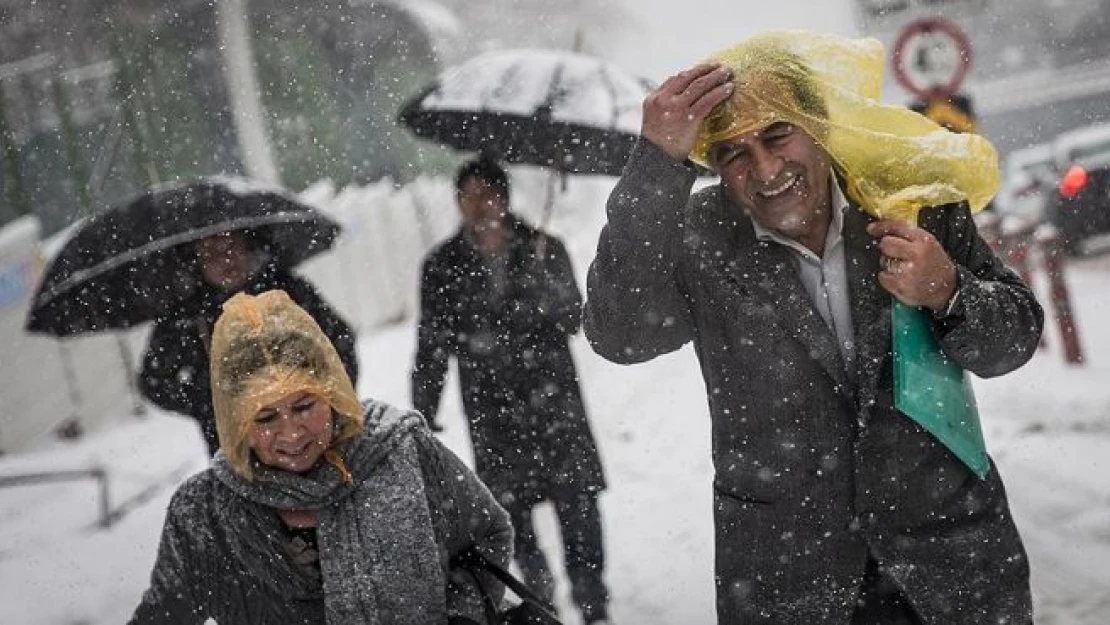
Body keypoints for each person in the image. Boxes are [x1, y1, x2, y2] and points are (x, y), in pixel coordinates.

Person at [583, 31, 1043, 625]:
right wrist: (655, 164)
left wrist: (947, 289)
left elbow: (1015, 340)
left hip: (951, 568)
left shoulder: (908, 199)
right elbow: (618, 334)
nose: (767, 168)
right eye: (735, 153)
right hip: (787, 583)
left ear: (817, 126)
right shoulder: (698, 239)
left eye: (778, 135)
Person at [129, 289, 512, 624]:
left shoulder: (399, 452)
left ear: (331, 393)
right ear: (236, 421)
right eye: (265, 417)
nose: (292, 433)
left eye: (304, 406)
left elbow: (486, 537)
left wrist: (464, 617)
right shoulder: (206, 513)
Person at [412, 158, 611, 624]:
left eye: (487, 193)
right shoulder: (442, 266)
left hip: (554, 402)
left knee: (578, 505)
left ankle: (593, 604)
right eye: (468, 195)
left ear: (505, 197)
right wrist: (424, 405)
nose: (479, 205)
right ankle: (538, 601)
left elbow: (572, 319)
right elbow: (431, 343)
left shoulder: (545, 248)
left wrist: (541, 281)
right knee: (509, 515)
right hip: (492, 409)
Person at [139, 229, 358, 456]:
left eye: (232, 246)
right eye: (211, 252)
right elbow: (154, 381)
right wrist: (211, 402)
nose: (227, 259)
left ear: (248, 244)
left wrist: (330, 399)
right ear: (195, 260)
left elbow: (340, 340)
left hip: (315, 435)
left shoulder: (285, 289)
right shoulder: (186, 315)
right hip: (237, 452)